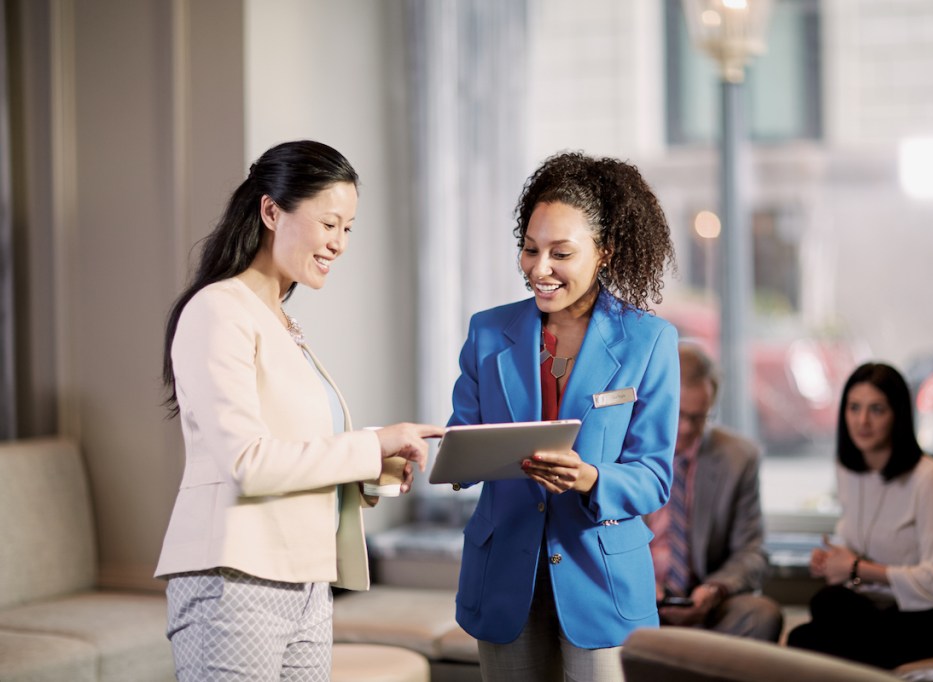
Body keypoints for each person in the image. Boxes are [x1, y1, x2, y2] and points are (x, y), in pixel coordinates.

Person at [154, 140, 443, 681]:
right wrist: (370, 444)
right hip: (235, 581)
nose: (339, 243)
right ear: (270, 211)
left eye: (348, 228)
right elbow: (249, 463)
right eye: (329, 223)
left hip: (305, 579)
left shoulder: (283, 323)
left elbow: (295, 453)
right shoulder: (218, 309)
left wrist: (371, 470)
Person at [447, 151, 680, 682]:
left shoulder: (650, 342)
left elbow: (654, 476)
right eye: (530, 250)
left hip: (602, 580)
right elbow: (461, 438)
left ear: (604, 253)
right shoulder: (488, 332)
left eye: (561, 253)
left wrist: (592, 477)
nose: (539, 268)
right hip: (504, 573)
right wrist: (444, 457)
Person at [786, 362, 933, 669]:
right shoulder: (848, 470)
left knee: (821, 626)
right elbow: (863, 547)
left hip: (927, 614)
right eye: (854, 408)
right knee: (810, 626)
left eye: (877, 409)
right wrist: (837, 560)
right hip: (874, 609)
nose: (862, 421)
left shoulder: (930, 478)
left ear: (898, 416)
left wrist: (856, 568)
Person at [646, 342, 783, 642]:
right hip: (637, 601)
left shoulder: (738, 457)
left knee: (761, 615)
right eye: (677, 414)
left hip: (706, 604)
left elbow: (753, 552)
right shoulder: (626, 448)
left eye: (698, 418)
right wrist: (641, 583)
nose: (684, 428)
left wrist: (716, 588)